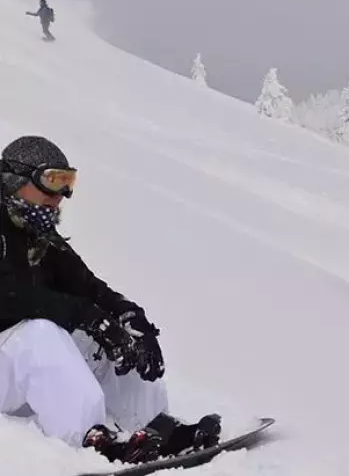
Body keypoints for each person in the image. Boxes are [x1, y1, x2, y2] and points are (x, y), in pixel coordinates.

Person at [0, 135, 221, 464]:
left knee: (103, 336)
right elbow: (9, 299)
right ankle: (91, 440)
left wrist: (129, 317)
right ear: (16, 179)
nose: (60, 195)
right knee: (40, 335)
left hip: (15, 371)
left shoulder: (41, 236)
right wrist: (86, 315)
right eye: (51, 181)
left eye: (66, 182)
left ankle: (155, 426)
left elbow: (88, 287)